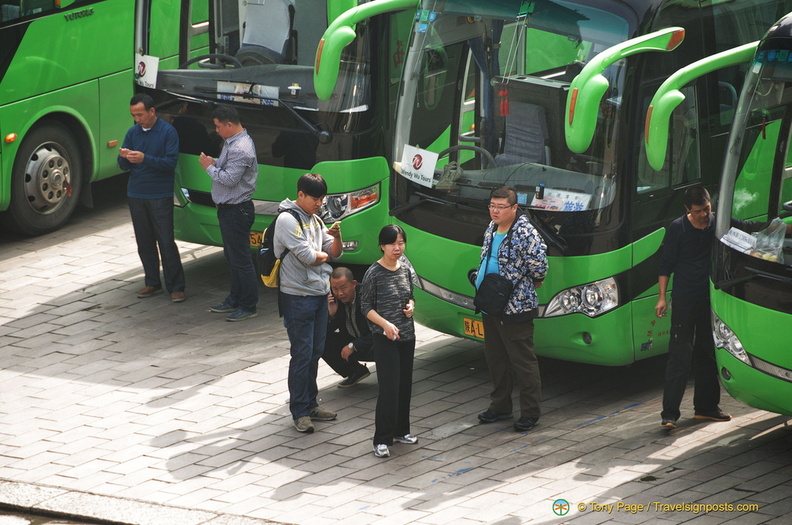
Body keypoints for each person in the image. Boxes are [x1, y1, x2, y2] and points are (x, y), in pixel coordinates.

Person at [475, 185, 548, 433]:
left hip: (515, 308)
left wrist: (531, 279)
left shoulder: (525, 232)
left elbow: (540, 265)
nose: (495, 211)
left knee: (522, 361)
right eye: (492, 206)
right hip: (490, 304)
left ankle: (530, 412)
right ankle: (500, 406)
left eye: (500, 207)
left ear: (514, 208)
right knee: (496, 359)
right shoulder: (492, 227)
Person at [656, 186, 730, 429]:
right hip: (685, 300)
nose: (703, 215)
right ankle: (669, 414)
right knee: (680, 355)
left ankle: (707, 408)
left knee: (707, 353)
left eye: (707, 209)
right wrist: (662, 298)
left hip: (709, 299)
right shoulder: (678, 228)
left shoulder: (715, 222)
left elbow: (747, 228)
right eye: (698, 211)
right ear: (688, 210)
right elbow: (665, 264)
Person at [274, 173, 343, 433]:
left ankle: (312, 403)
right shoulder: (286, 220)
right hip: (297, 297)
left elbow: (334, 252)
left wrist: (335, 237)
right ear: (300, 194)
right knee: (302, 354)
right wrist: (323, 255)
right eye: (315, 198)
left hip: (318, 294)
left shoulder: (315, 220)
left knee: (315, 351)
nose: (319, 203)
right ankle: (300, 411)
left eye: (322, 199)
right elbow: (308, 257)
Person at [118, 93, 186, 303]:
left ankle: (176, 286)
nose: (137, 119)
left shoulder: (167, 132)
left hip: (159, 193)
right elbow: (123, 166)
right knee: (144, 240)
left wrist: (144, 158)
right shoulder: (132, 133)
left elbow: (169, 164)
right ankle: (152, 281)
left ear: (152, 111)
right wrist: (125, 158)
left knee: (165, 240)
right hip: (136, 192)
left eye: (140, 114)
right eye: (133, 115)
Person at [360, 225, 419, 458]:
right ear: (382, 246)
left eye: (401, 243)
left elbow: (411, 296)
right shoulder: (373, 273)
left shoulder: (405, 268)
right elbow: (365, 306)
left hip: (407, 335)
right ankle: (381, 439)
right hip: (384, 338)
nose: (397, 248)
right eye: (393, 243)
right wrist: (384, 325)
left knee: (405, 385)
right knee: (389, 388)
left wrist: (411, 307)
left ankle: (401, 431)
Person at [199, 105, 259, 321]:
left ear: (229, 124)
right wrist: (216, 163)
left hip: (237, 210)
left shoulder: (241, 148)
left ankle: (248, 305)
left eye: (218, 126)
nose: (216, 130)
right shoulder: (232, 142)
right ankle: (235, 298)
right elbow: (227, 168)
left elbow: (229, 180)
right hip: (228, 209)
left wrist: (208, 167)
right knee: (232, 257)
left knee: (241, 259)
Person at [323, 267, 373, 388]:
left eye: (343, 287)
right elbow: (325, 331)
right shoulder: (334, 300)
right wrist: (331, 315)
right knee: (320, 339)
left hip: (373, 342)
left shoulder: (367, 296)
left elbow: (378, 330)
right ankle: (355, 371)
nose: (340, 293)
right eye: (335, 289)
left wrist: (353, 345)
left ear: (354, 284)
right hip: (352, 340)